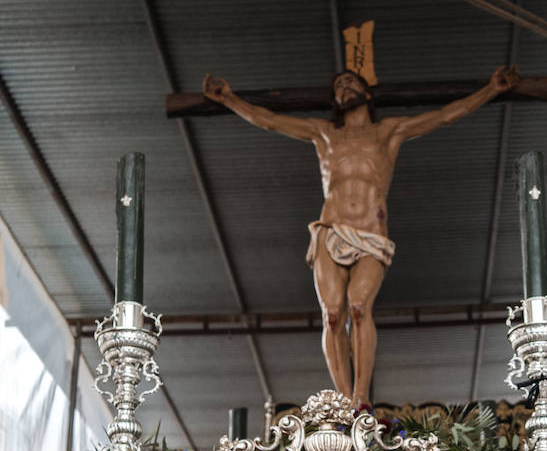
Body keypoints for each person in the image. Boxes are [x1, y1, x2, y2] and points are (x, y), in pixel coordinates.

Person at [202, 65, 521, 408]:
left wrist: (491, 90)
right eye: (337, 85)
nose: (343, 88)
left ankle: (361, 396)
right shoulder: (324, 134)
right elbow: (270, 120)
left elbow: (443, 116)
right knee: (333, 314)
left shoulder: (388, 132)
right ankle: (343, 402)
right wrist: (229, 99)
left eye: (350, 82)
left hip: (370, 232)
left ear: (366, 93)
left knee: (358, 308)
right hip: (330, 230)